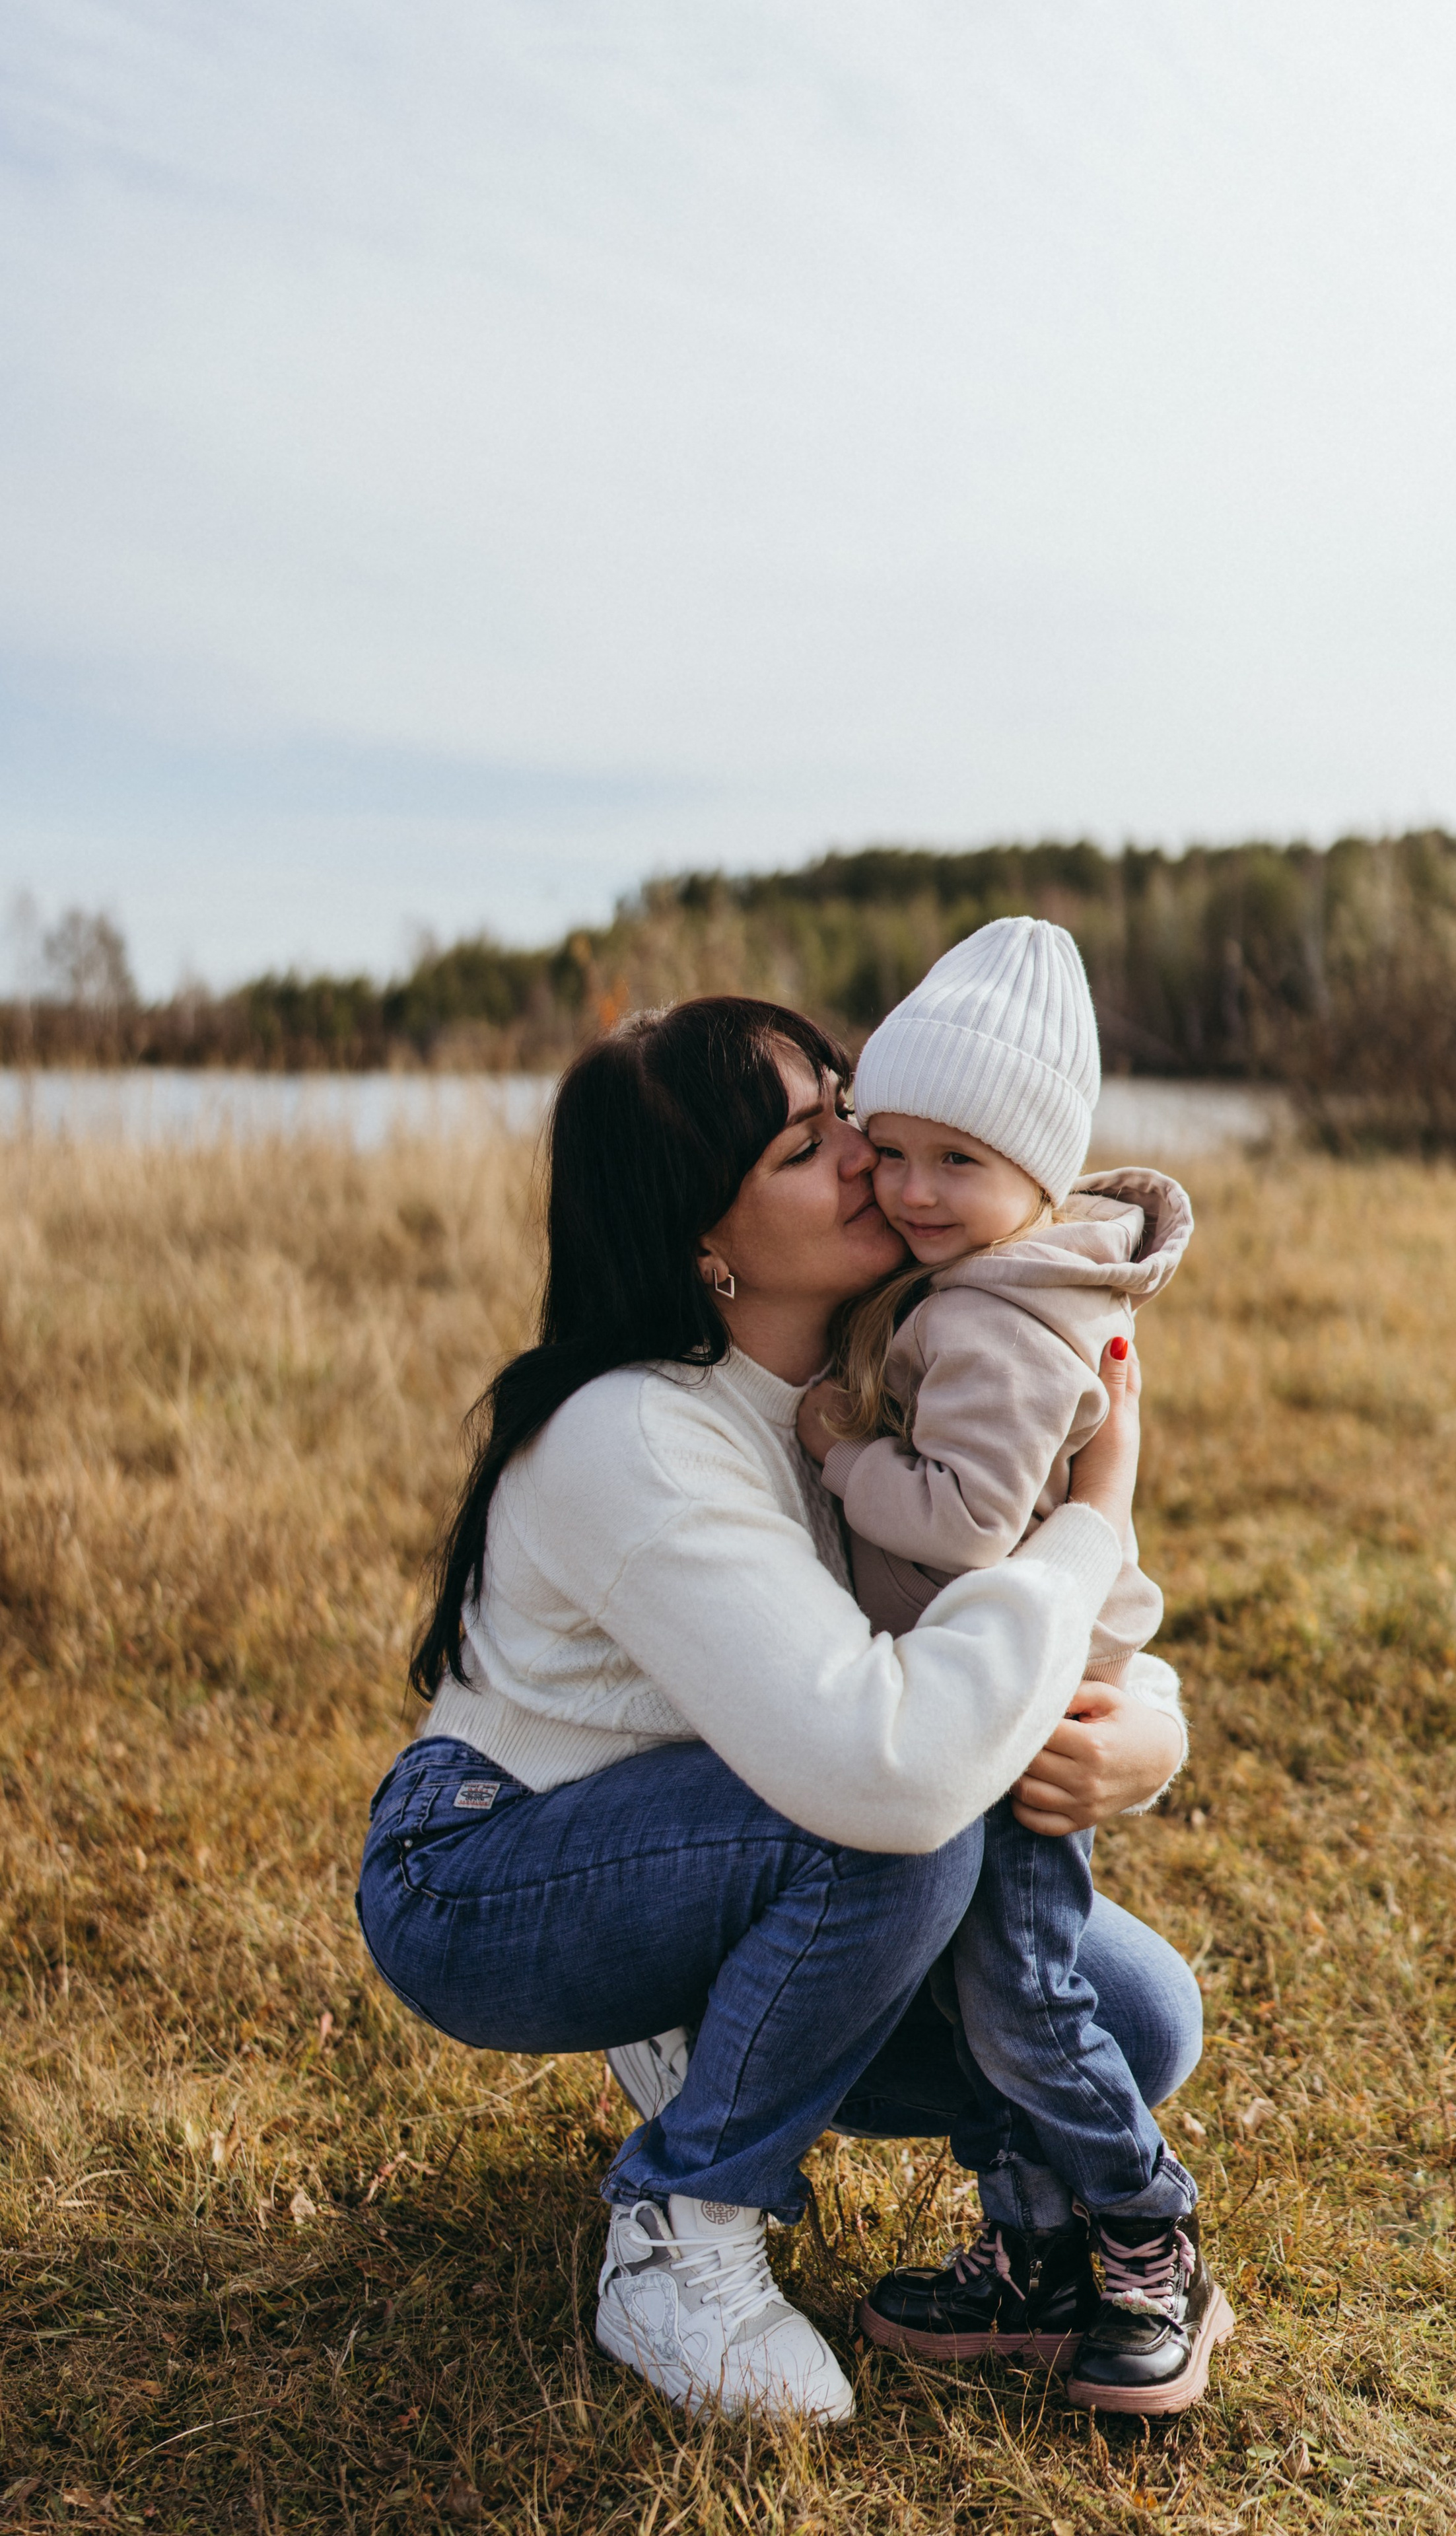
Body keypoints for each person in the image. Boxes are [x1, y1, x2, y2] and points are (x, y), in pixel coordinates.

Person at [354, 994, 1200, 2426]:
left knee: (1130, 2017)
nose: (872, 1160)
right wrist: (1096, 1522)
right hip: (491, 1871)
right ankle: (681, 2233)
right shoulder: (636, 1431)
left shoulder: (887, 1367)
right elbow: (891, 1768)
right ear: (705, 1236)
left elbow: (970, 1599)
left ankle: (769, 2072)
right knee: (899, 1828)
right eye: (812, 1145)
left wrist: (1144, 1731)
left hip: (733, 1830)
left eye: (851, 1113)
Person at [794, 917, 1230, 2416]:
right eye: (891, 1150)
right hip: (978, 1700)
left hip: (1001, 1709)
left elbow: (971, 1524)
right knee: (1003, 1988)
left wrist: (850, 1463)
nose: (913, 1190)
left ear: (1036, 1177)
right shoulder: (999, 1285)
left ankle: (1144, 2230)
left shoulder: (998, 1317)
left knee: (1023, 2000)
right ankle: (1031, 2251)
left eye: (956, 1164)